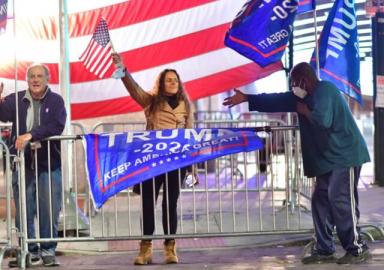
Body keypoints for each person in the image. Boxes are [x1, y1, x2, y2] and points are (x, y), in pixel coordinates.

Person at [222, 62, 371, 265]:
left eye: (294, 82)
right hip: (329, 158)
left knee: (340, 199)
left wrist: (304, 111)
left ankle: (356, 249)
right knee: (320, 201)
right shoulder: (302, 97)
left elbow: (323, 121)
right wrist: (248, 98)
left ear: (305, 79)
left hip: (345, 155)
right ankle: (324, 248)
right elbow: (277, 100)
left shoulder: (325, 90)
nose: (293, 87)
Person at [112, 53, 194, 265]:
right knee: (148, 204)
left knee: (170, 204)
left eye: (175, 79)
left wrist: (192, 164)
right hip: (152, 160)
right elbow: (135, 90)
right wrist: (124, 71)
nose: (172, 82)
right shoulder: (151, 101)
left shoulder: (186, 105)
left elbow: (191, 134)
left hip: (177, 161)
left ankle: (170, 248)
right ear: (161, 83)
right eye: (168, 79)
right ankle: (145, 249)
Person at [0, 63, 66, 267]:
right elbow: (1, 113)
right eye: (32, 76)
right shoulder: (17, 99)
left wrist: (31, 135)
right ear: (27, 79)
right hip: (22, 165)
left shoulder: (56, 100)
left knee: (49, 209)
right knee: (24, 210)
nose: (35, 79)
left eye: (40, 76)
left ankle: (48, 250)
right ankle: (29, 251)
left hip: (49, 163)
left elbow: (57, 125)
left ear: (47, 79)